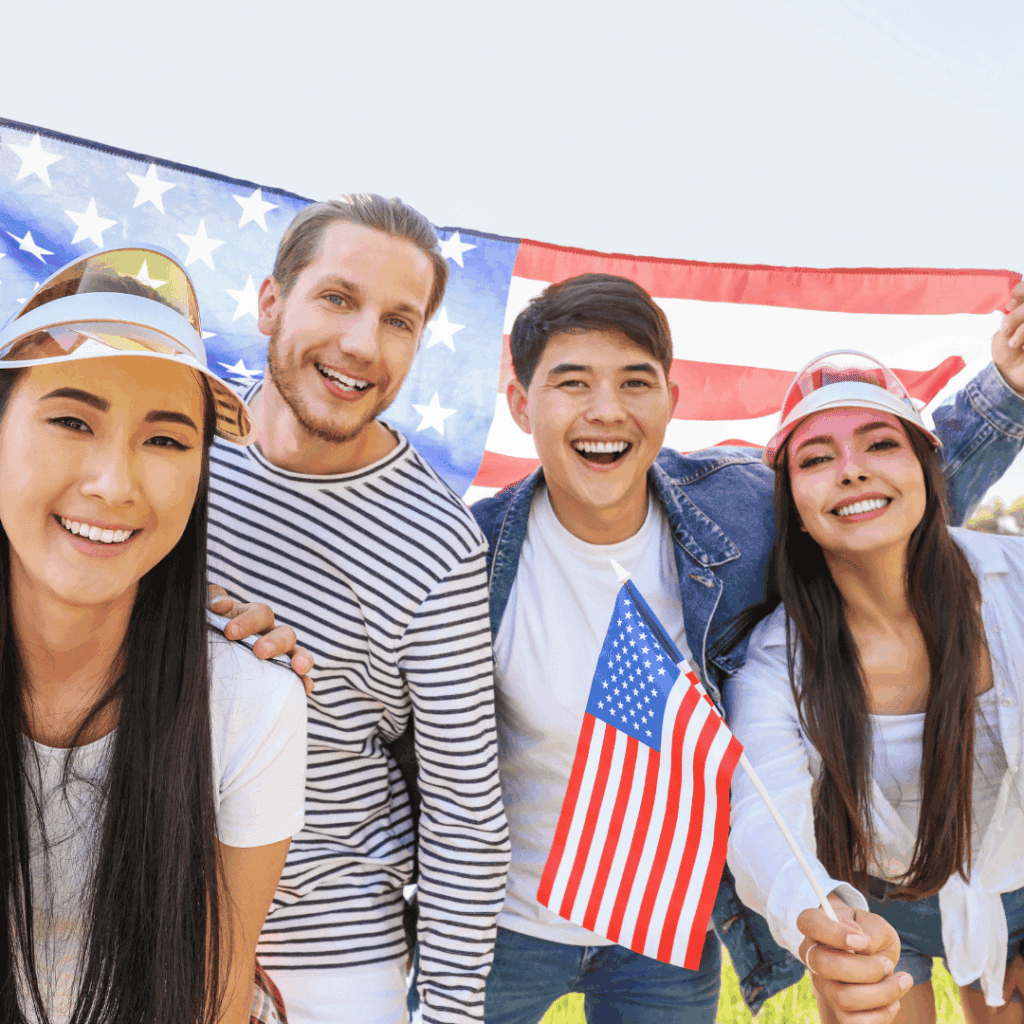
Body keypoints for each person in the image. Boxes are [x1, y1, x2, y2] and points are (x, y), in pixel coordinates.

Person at [469, 273, 1024, 1023]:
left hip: (663, 926)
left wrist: (1007, 392)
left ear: (671, 397)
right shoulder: (466, 554)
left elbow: (885, 499)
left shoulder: (732, 510)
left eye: (635, 381)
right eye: (573, 383)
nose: (606, 410)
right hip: (498, 924)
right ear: (520, 403)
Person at [205, 194, 511, 1024]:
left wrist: (446, 1016)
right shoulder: (173, 446)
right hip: (133, 916)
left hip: (330, 958)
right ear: (272, 302)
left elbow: (464, 813)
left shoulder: (438, 542)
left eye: (399, 321)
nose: (361, 344)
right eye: (338, 298)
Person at [0, 246, 308, 1024]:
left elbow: (215, 993)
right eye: (73, 420)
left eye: (166, 439)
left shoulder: (252, 701)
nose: (113, 484)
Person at [725, 350, 1024, 1024]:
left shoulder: (1016, 581)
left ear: (926, 469)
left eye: (880, 443)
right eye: (815, 458)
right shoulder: (776, 660)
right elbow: (761, 811)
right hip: (875, 902)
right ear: (795, 509)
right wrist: (818, 916)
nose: (852, 469)